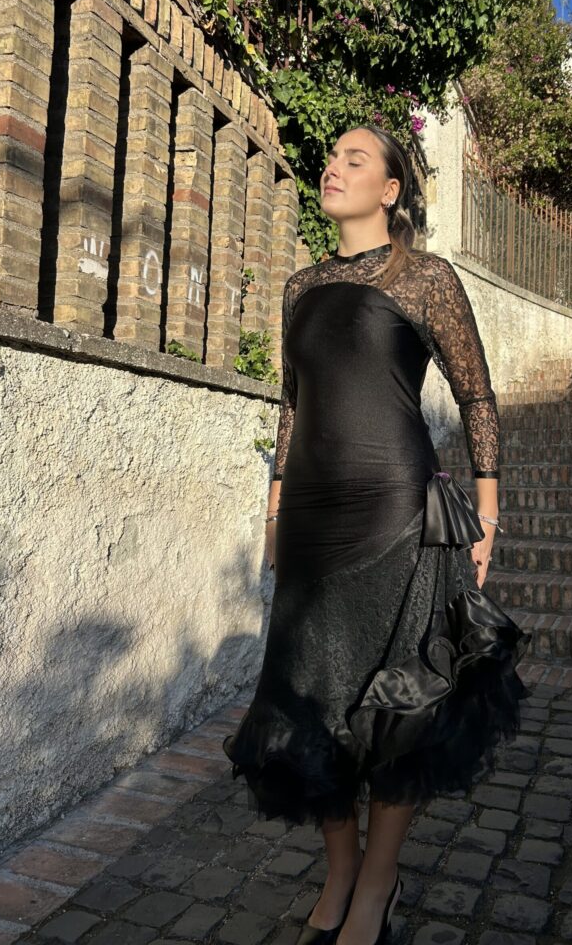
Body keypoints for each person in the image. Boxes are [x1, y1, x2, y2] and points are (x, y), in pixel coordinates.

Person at [223, 123, 528, 945]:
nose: (333, 167)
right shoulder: (301, 285)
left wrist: (487, 512)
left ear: (390, 190)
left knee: (401, 701)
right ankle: (341, 868)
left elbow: (477, 395)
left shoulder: (425, 277)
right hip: (313, 519)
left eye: (354, 159)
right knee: (309, 694)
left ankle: (379, 882)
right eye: (332, 157)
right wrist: (274, 507)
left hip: (397, 510)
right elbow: (292, 405)